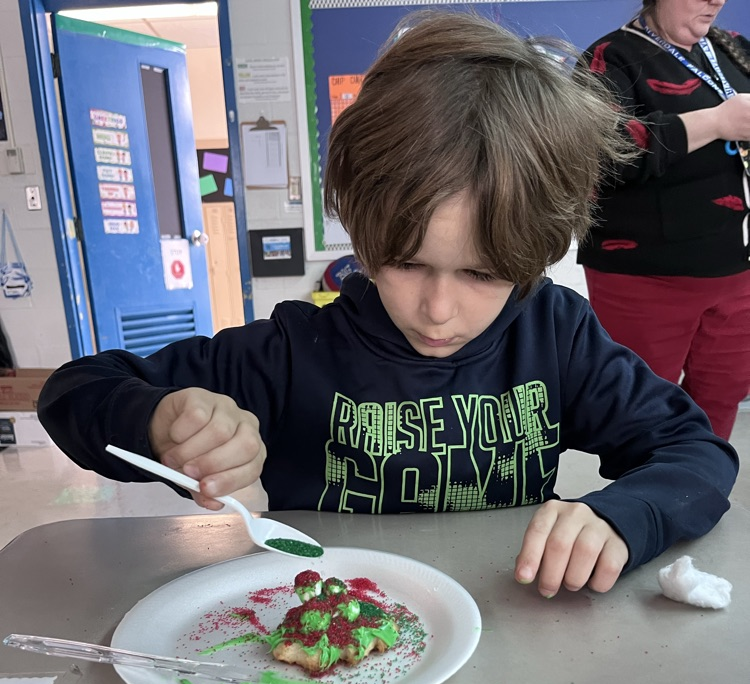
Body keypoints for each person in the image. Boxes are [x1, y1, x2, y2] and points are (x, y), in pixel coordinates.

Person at [37, 11, 738, 600]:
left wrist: (624, 516)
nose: (438, 310)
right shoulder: (289, 353)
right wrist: (159, 421)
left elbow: (697, 453)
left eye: (484, 274)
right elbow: (75, 392)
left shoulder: (555, 335)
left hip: (503, 637)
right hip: (316, 632)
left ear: (538, 253)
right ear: (364, 234)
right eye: (407, 263)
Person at [577, 0, 750, 441]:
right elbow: (602, 155)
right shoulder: (610, 57)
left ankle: (700, 489)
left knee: (721, 398)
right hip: (646, 276)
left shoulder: (731, 49)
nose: (716, 0)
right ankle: (646, 503)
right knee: (642, 409)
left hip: (736, 271)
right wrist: (715, 122)